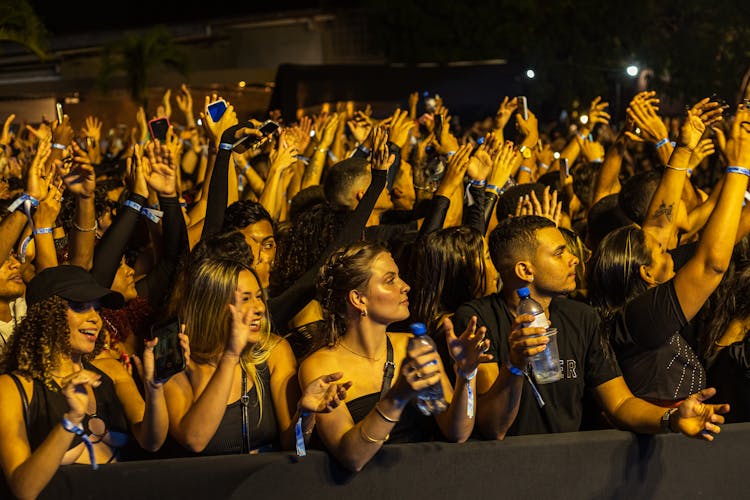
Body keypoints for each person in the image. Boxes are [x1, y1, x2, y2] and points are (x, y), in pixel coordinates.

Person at [453, 215, 729, 440]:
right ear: (526, 271)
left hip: (571, 469)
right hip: (508, 471)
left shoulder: (582, 317)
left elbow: (620, 404)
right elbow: (492, 427)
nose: (573, 259)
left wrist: (670, 418)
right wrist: (514, 365)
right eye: (559, 253)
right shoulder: (478, 319)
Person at [587, 99, 748, 405]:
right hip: (667, 445)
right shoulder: (638, 319)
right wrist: (739, 167)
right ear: (645, 272)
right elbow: (711, 266)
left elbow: (658, 226)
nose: (668, 249)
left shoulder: (634, 301)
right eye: (661, 252)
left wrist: (683, 149)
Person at [299, 241, 491, 472]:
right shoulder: (320, 366)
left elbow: (458, 431)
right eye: (390, 280)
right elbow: (351, 457)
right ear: (358, 299)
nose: (406, 286)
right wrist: (398, 395)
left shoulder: (413, 344)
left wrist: (466, 376)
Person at [0, 265, 170, 499]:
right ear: (48, 315)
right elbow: (24, 489)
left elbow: (152, 441)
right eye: (80, 307)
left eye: (97, 309)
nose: (95, 319)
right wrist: (70, 421)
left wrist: (154, 389)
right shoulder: (13, 388)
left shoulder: (111, 370)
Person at [163, 257, 350, 454]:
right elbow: (194, 440)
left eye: (259, 297)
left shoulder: (274, 351)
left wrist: (305, 413)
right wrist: (231, 355)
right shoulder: (180, 362)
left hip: (265, 480)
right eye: (245, 299)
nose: (260, 308)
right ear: (212, 307)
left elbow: (294, 447)